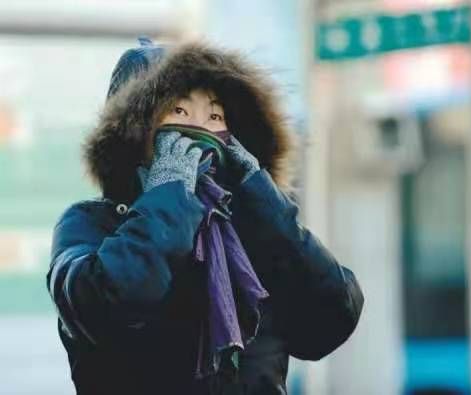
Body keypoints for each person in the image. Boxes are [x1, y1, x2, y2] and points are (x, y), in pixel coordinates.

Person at [47, 37, 364, 395]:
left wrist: (262, 198)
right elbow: (111, 302)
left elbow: (330, 320)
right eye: (179, 113)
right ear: (134, 130)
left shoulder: (252, 233)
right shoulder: (89, 225)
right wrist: (168, 195)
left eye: (215, 116)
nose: (199, 132)